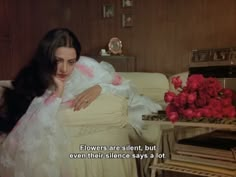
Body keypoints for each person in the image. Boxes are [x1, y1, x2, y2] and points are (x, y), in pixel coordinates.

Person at [0, 28, 162, 177]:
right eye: (58, 61)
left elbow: (127, 87)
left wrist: (100, 88)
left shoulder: (86, 67)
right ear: (47, 57)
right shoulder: (33, 79)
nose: (64, 69)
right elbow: (26, 129)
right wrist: (58, 91)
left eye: (71, 62)